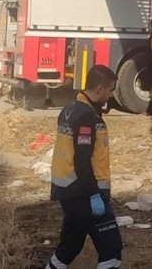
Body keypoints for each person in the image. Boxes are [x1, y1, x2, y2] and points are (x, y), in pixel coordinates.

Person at [45, 65, 122, 269]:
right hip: (84, 193)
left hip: (68, 192)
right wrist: (94, 195)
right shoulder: (86, 116)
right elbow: (82, 159)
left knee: (69, 248)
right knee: (111, 249)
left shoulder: (70, 110)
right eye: (110, 89)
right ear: (99, 89)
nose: (111, 94)